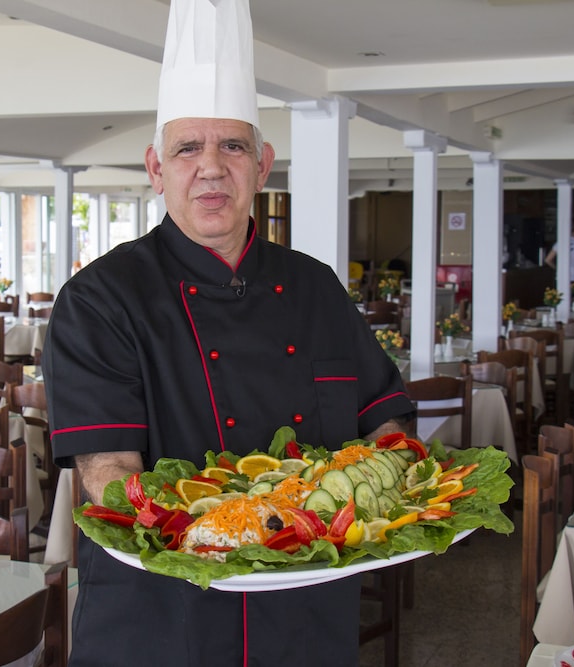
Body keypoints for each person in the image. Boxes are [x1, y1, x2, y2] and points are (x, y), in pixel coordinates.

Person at [42, 1, 413, 664]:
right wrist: (214, 535)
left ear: (262, 164)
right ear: (156, 168)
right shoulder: (99, 300)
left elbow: (384, 420)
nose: (211, 167)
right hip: (161, 624)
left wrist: (394, 485)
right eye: (188, 148)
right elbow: (107, 471)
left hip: (306, 617)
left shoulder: (315, 287)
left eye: (232, 146)